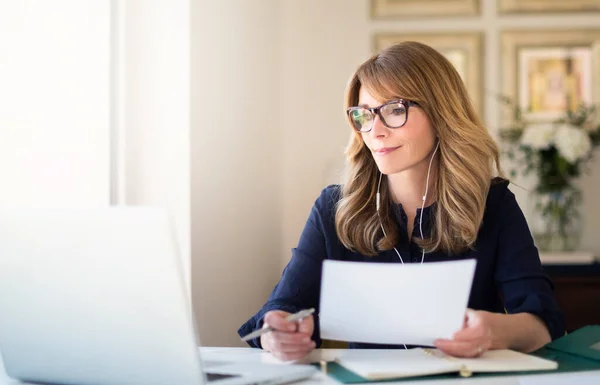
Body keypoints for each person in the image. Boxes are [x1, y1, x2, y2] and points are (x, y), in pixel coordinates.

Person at [238, 41, 564, 362]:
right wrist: (277, 333)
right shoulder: (334, 208)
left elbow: (543, 324)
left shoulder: (493, 204)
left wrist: (494, 330)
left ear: (441, 113)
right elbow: (280, 311)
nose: (375, 131)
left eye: (395, 110)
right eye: (364, 114)